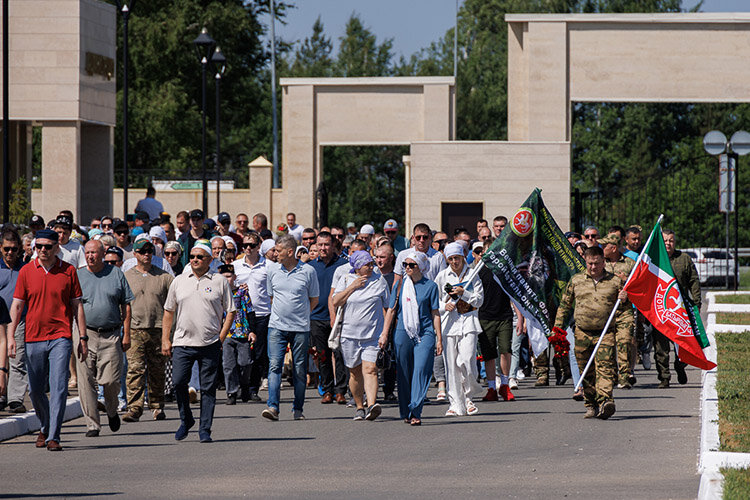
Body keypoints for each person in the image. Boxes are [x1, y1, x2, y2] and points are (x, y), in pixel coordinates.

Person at [7, 229, 87, 450]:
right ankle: (45, 426)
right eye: (38, 246)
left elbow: (77, 305)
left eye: (47, 246)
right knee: (35, 390)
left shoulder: (69, 271)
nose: (43, 250)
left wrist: (82, 337)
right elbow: (17, 305)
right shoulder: (26, 272)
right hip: (33, 337)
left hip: (60, 336)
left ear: (56, 248)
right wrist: (11, 336)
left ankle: (54, 436)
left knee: (59, 387)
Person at [162, 241, 236, 443]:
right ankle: (186, 420)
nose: (194, 260)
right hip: (182, 343)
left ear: (209, 260)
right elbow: (169, 311)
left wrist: (221, 337)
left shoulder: (219, 281)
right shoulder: (179, 280)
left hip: (209, 343)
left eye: (199, 257)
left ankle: (205, 429)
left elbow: (231, 311)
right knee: (178, 382)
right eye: (192, 256)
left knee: (208, 388)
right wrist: (165, 339)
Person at [554, 246, 626, 420]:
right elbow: (564, 305)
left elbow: (625, 310)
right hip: (582, 333)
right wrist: (557, 329)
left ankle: (606, 401)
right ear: (585, 262)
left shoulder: (615, 282)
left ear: (603, 262)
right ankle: (591, 404)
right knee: (586, 371)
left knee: (605, 368)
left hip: (605, 333)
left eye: (597, 263)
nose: (593, 267)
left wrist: (625, 298)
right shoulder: (576, 280)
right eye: (590, 264)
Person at [76, 240, 134, 437]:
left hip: (111, 334)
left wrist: (127, 334)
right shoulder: (78, 275)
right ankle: (92, 424)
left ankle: (111, 409)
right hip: (86, 334)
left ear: (102, 254)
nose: (91, 256)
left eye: (94, 253)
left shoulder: (115, 273)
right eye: (88, 253)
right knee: (86, 381)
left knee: (110, 381)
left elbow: (126, 305)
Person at [378, 252, 442, 426]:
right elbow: (391, 310)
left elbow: (435, 313)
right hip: (402, 331)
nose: (407, 267)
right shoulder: (399, 285)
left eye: (411, 265)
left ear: (420, 267)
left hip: (425, 332)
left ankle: (416, 409)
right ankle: (405, 410)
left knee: (421, 369)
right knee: (404, 372)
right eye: (405, 264)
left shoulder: (430, 286)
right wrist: (384, 334)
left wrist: (439, 339)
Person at [262, 235, 319, 421]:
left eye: (278, 251)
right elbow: (272, 297)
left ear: (289, 252)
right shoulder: (272, 271)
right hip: (277, 326)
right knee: (274, 366)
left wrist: (302, 315)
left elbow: (314, 298)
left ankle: (298, 408)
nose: (275, 254)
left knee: (300, 369)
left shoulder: (308, 271)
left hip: (300, 328)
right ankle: (273, 407)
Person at [332, 251, 388, 421]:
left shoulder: (379, 281)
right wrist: (352, 287)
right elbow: (336, 301)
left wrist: (385, 332)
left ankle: (372, 405)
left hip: (372, 335)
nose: (371, 267)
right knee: (355, 373)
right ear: (357, 267)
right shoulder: (346, 279)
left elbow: (387, 307)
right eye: (367, 265)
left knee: (370, 369)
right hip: (349, 335)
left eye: (372, 264)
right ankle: (359, 406)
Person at [123, 237, 174, 422]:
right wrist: (125, 333)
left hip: (158, 329)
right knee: (135, 370)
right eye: (142, 251)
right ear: (135, 254)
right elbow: (123, 306)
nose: (146, 254)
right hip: (135, 329)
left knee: (157, 370)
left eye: (149, 251)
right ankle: (134, 407)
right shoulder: (126, 276)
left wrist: (170, 335)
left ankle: (157, 406)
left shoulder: (164, 277)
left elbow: (173, 305)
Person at [435, 243, 484, 416]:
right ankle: (455, 403)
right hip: (449, 325)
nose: (454, 261)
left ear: (463, 256)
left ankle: (468, 397)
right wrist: (444, 306)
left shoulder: (473, 275)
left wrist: (464, 293)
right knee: (451, 366)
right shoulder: (442, 276)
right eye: (451, 259)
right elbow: (435, 302)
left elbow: (479, 301)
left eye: (457, 258)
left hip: (469, 322)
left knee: (467, 360)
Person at [652, 229, 701, 388]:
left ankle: (680, 365)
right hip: (660, 311)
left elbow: (694, 281)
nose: (668, 243)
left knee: (686, 343)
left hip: (681, 310)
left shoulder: (684, 259)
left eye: (671, 240)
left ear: (675, 242)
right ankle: (664, 377)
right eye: (665, 240)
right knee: (661, 346)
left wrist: (697, 304)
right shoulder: (654, 260)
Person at [307, 231, 349, 404]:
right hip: (316, 316)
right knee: (322, 356)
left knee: (339, 354)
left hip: (338, 316)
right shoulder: (310, 267)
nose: (323, 248)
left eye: (326, 244)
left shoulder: (343, 265)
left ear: (333, 246)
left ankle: (340, 390)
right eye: (320, 245)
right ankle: (327, 390)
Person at [476, 240, 516, 402]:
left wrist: (521, 318)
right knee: (489, 354)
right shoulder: (478, 271)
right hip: (485, 317)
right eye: (488, 251)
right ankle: (492, 387)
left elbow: (515, 295)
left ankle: (505, 385)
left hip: (504, 315)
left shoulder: (505, 270)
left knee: (506, 350)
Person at [233, 232, 271, 400]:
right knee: (240, 353)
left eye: (252, 245)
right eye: (245, 245)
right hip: (241, 315)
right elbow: (228, 287)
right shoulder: (235, 265)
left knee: (257, 353)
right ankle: (240, 387)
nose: (248, 248)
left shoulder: (268, 265)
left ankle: (253, 388)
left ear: (258, 247)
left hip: (261, 313)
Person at [599, 233, 636, 389]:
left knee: (624, 342)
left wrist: (626, 282)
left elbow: (639, 285)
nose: (601, 249)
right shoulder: (600, 264)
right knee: (608, 345)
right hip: (606, 311)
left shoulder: (630, 263)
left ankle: (624, 376)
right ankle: (612, 375)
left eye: (604, 246)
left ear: (613, 248)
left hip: (624, 311)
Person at [219, 264, 257, 405]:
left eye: (229, 277)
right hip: (226, 334)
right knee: (228, 365)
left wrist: (252, 330)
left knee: (245, 362)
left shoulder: (242, 293)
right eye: (224, 277)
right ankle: (232, 392)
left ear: (234, 277)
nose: (227, 280)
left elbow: (250, 312)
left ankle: (244, 385)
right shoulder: (219, 294)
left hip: (242, 333)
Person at [0, 229, 27, 413]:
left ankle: (15, 398)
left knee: (18, 358)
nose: (10, 253)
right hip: (0, 320)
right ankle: (1, 395)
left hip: (20, 319)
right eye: (6, 249)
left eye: (14, 249)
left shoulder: (26, 269)